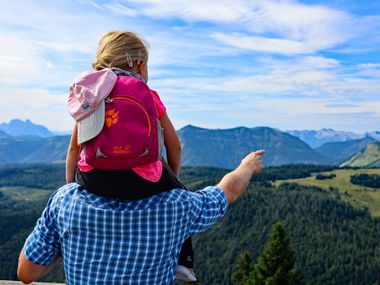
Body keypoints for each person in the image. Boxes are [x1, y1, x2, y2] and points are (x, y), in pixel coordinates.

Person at [18, 150, 265, 284]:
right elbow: (227, 191)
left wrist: (66, 239)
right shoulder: (175, 207)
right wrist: (248, 165)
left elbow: (26, 274)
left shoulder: (66, 202)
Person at [65, 31, 195, 281]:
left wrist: (70, 189)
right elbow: (174, 146)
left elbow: (74, 149)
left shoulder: (92, 94)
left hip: (94, 179)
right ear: (140, 64)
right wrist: (171, 182)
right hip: (142, 181)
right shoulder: (149, 94)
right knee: (182, 198)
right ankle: (184, 262)